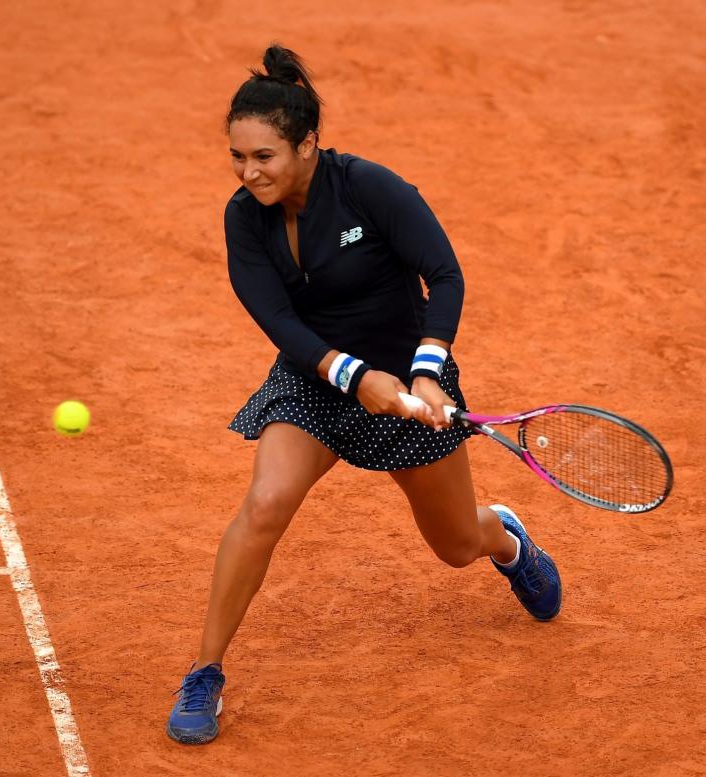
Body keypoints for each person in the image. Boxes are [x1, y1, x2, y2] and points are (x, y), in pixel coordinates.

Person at [166, 44, 562, 745]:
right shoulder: (243, 218)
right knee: (264, 504)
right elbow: (279, 321)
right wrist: (353, 376)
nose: (248, 172)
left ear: (308, 144)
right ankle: (205, 670)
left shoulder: (372, 189)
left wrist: (425, 371)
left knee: (454, 544)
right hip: (314, 381)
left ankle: (504, 538)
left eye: (264, 156)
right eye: (238, 156)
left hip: (411, 383)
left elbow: (444, 274)